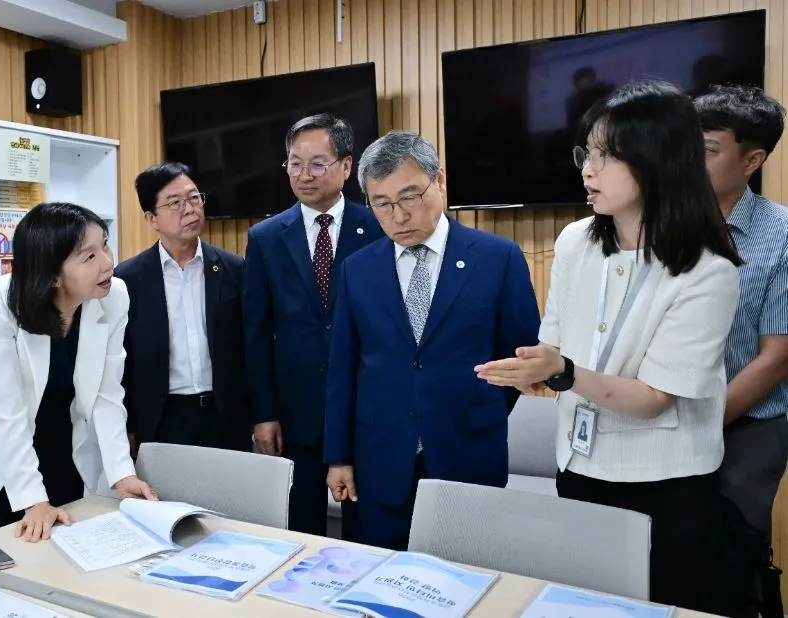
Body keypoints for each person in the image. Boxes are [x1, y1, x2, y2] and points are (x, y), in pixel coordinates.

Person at [475, 80, 742, 614]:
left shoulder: (708, 271)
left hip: (664, 483)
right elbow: (553, 339)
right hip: (578, 465)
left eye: (606, 156)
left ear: (658, 160)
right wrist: (533, 368)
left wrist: (565, 372)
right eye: (586, 153)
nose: (587, 170)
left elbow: (652, 398)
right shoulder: (577, 240)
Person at [323, 130, 542, 551]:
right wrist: (339, 455)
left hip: (468, 453)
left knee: (470, 584)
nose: (398, 216)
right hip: (379, 457)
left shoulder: (498, 258)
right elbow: (343, 369)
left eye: (409, 197)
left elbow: (518, 360)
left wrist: (474, 407)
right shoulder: (357, 269)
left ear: (439, 182)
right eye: (381, 204)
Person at [0, 202, 156, 542]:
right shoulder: (2, 299)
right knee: (5, 566)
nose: (107, 262)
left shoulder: (114, 295)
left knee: (67, 557)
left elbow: (107, 394)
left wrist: (121, 473)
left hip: (65, 445)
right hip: (0, 453)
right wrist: (32, 499)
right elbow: (6, 409)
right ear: (53, 274)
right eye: (89, 257)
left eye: (105, 244)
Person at [243, 113, 384, 537]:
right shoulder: (265, 237)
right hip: (294, 412)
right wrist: (263, 413)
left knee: (365, 526)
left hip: (364, 407)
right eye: (295, 163)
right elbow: (255, 333)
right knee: (299, 527)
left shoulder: (378, 227)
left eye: (318, 163)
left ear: (346, 166)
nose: (304, 174)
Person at [695, 85, 788, 542]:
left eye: (708, 150)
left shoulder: (783, 233)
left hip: (746, 430)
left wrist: (702, 425)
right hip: (659, 420)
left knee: (734, 557)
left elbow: (777, 357)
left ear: (752, 161)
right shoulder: (658, 224)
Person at [117, 162, 252, 455]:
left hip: (225, 415)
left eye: (194, 198)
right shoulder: (128, 280)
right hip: (163, 420)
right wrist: (126, 425)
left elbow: (251, 347)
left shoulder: (234, 269)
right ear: (152, 218)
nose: (190, 209)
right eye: (175, 203)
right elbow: (122, 360)